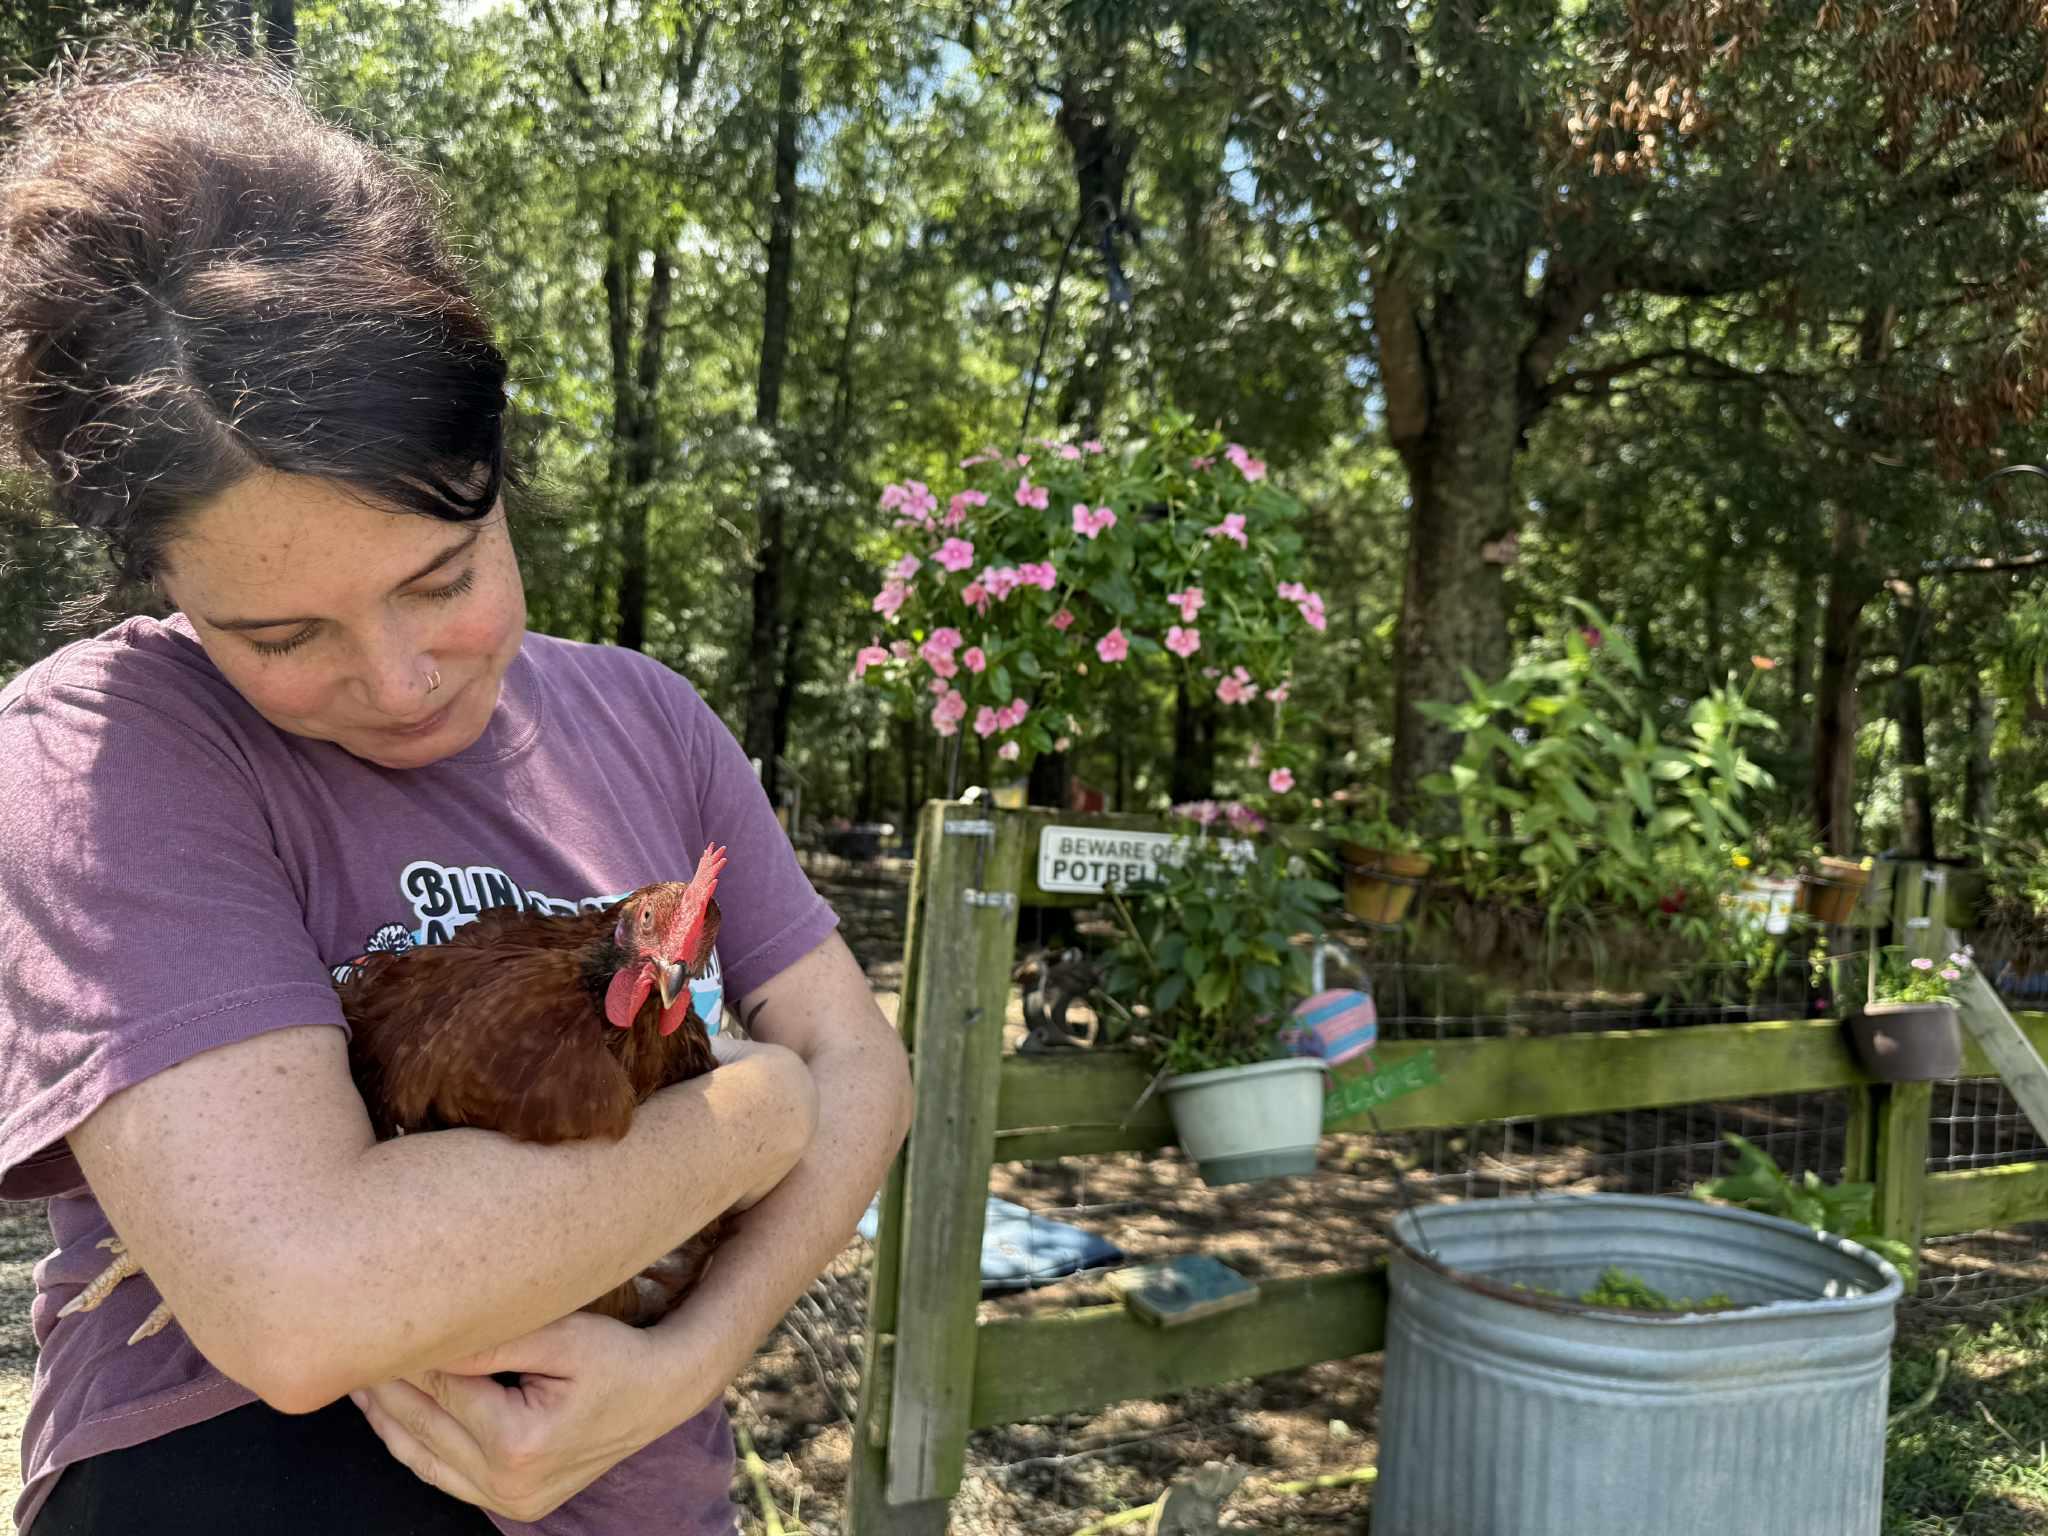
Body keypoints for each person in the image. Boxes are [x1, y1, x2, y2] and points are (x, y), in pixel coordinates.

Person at [0, 46, 912, 1536]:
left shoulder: (648, 718)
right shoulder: (105, 750)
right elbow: (300, 1304)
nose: (404, 679)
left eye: (444, 577)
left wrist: (687, 1361)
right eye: (282, 634)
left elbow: (867, 1065)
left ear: (498, 471)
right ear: (160, 581)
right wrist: (755, 1119)